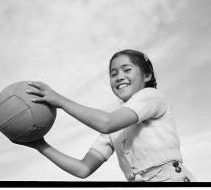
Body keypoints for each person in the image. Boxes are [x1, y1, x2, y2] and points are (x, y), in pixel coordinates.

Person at [12, 49, 197, 182]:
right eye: (113, 73)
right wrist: (40, 145)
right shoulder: (115, 128)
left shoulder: (151, 96)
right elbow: (83, 169)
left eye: (127, 69)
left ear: (147, 76)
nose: (119, 76)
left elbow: (106, 123)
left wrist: (59, 100)